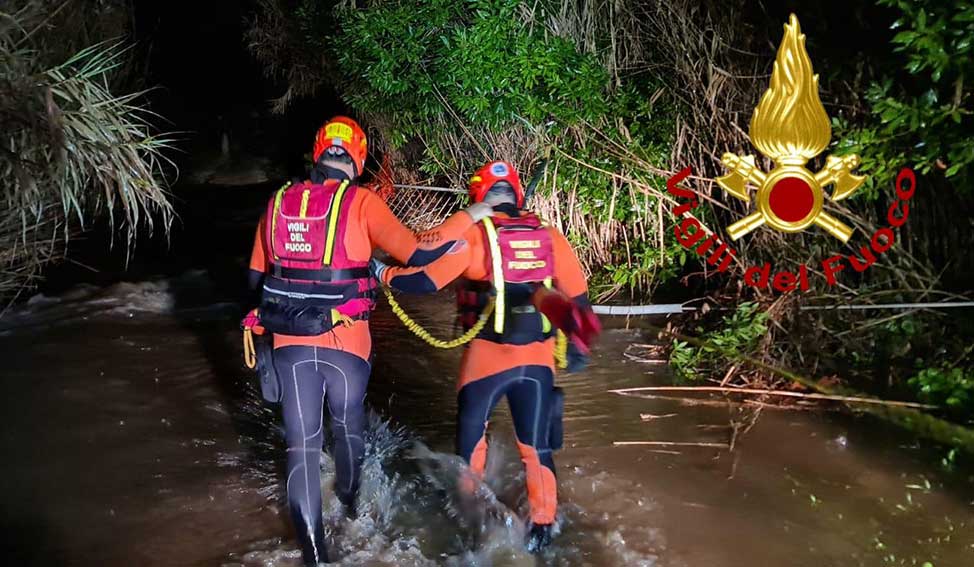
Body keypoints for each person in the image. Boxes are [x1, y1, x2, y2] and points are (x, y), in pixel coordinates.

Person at [245, 116, 494, 566]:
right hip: (346, 344)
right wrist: (470, 217)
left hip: (288, 343)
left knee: (301, 446)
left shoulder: (279, 202)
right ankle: (352, 506)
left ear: (317, 153)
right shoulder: (362, 202)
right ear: (358, 158)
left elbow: (255, 279)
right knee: (347, 426)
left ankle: (315, 555)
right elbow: (418, 251)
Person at [371, 160, 599, 551]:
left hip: (487, 359)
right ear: (517, 195)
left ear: (479, 196)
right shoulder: (550, 236)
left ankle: (469, 519)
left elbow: (424, 280)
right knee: (537, 448)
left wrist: (381, 273)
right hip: (539, 360)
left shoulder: (477, 236)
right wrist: (578, 347)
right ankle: (543, 531)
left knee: (472, 439)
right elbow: (579, 300)